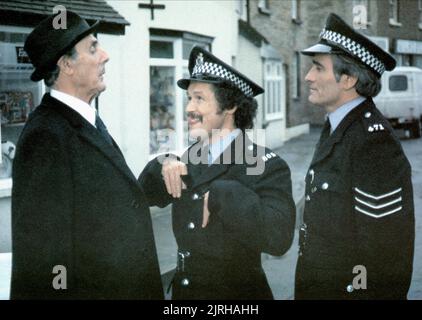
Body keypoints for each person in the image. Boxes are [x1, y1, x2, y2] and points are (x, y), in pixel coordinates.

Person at [11, 11, 163, 299]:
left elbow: (104, 206)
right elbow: (44, 262)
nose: (105, 55)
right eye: (93, 48)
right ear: (67, 64)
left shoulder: (84, 119)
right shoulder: (46, 137)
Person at [139, 46, 296, 300]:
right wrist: (161, 165)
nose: (189, 108)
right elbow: (141, 196)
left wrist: (224, 193)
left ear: (231, 105)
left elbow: (279, 239)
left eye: (199, 98)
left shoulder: (266, 164)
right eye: (189, 98)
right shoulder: (190, 157)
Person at [294, 13, 415, 300]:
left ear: (347, 79)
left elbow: (384, 257)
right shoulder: (338, 125)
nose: (308, 77)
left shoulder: (374, 143)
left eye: (318, 68)